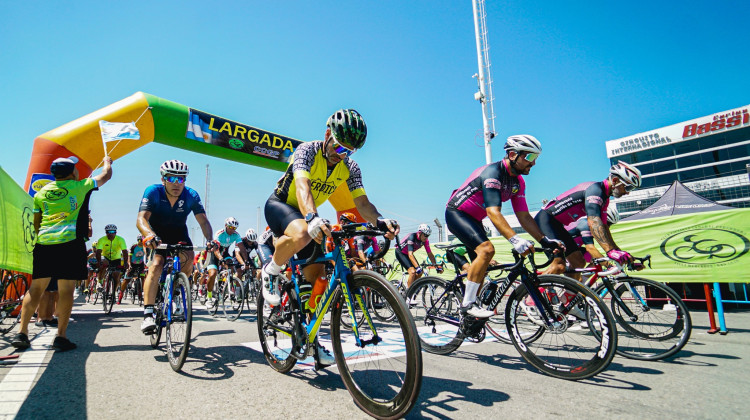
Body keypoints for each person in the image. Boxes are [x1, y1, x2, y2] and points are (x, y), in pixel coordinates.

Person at [260, 108, 399, 366]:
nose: (341, 155)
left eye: (349, 151)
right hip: (282, 205)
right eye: (339, 146)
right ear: (327, 134)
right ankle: (272, 269)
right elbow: (302, 188)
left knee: (320, 282)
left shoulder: (350, 167)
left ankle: (310, 339)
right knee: (302, 231)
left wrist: (379, 220)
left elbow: (362, 203)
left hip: (307, 213)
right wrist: (312, 217)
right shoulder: (307, 151)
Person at [445, 135, 563, 318]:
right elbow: (493, 212)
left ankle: (469, 318)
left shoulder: (518, 182)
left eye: (536, 159)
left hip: (475, 220)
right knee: (486, 250)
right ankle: (466, 306)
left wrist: (544, 240)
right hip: (456, 214)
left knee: (482, 268)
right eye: (530, 158)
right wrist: (514, 239)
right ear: (513, 154)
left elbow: (523, 216)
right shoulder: (493, 173)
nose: (533, 164)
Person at [12, 156, 112, 351]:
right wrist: (107, 161)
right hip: (69, 243)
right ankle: (61, 336)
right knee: (66, 290)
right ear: (72, 172)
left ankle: (22, 333)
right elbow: (105, 175)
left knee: (36, 288)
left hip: (44, 243)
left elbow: (36, 222)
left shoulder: (41, 193)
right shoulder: (80, 186)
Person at [137, 160, 213, 334]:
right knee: (156, 265)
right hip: (156, 235)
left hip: (179, 234)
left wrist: (209, 240)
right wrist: (149, 235)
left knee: (189, 256)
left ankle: (178, 288)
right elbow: (141, 219)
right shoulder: (153, 191)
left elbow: (203, 220)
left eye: (181, 179)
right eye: (172, 178)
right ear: (163, 179)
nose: (177, 183)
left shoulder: (191, 195)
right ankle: (148, 313)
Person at [534, 160, 641, 279]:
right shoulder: (595, 190)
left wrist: (621, 254)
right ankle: (531, 293)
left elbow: (604, 227)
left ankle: (569, 297)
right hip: (545, 221)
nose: (627, 193)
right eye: (628, 187)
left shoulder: (604, 198)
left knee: (578, 262)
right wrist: (610, 252)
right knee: (559, 266)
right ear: (615, 181)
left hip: (557, 225)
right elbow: (594, 222)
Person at [204, 217, 247, 308]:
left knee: (231, 266)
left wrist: (245, 261)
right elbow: (216, 248)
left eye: (234, 228)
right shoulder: (219, 234)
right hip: (214, 253)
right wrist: (220, 258)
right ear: (226, 226)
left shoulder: (236, 235)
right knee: (212, 274)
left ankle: (229, 286)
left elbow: (242, 248)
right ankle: (209, 297)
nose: (232, 230)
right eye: (231, 227)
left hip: (225, 252)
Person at [395, 224, 442, 288]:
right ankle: (408, 293)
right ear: (420, 233)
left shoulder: (425, 241)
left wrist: (436, 266)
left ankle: (412, 287)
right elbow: (410, 254)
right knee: (412, 272)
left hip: (408, 254)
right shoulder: (412, 237)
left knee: (420, 272)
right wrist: (417, 267)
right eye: (425, 235)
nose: (426, 237)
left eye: (428, 235)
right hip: (400, 253)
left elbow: (430, 254)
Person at [95, 224, 128, 293]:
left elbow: (125, 252)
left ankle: (113, 292)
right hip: (105, 257)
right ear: (106, 233)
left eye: (112, 232)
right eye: (108, 232)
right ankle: (100, 281)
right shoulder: (102, 240)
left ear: (116, 232)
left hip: (116, 259)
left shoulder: (120, 239)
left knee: (116, 276)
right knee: (103, 262)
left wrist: (125, 262)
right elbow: (98, 252)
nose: (110, 234)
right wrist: (99, 262)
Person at [119, 235, 146, 304]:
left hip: (141, 264)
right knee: (126, 280)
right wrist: (129, 265)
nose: (141, 242)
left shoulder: (145, 246)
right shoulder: (134, 246)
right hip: (133, 264)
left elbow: (147, 255)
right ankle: (120, 296)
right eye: (140, 240)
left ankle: (143, 293)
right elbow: (129, 256)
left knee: (143, 278)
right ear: (138, 240)